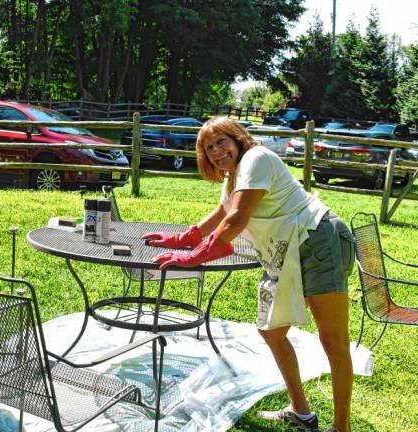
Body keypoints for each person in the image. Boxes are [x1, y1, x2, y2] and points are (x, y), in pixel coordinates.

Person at [142, 118, 354, 432]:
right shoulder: (234, 176)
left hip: (319, 239)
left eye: (221, 141)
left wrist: (194, 256)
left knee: (333, 340)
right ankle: (302, 413)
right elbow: (222, 214)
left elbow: (238, 218)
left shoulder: (257, 158)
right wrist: (183, 239)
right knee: (272, 331)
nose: (216, 151)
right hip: (287, 249)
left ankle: (341, 428)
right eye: (208, 147)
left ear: (238, 138)